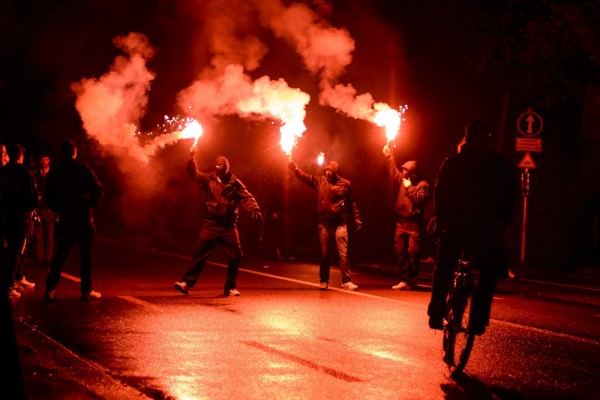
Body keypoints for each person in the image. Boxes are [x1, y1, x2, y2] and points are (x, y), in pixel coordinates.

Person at [427, 120, 517, 335]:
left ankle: (438, 311)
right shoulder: (497, 163)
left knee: (446, 265)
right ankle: (477, 318)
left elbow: (441, 191)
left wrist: (442, 217)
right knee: (488, 270)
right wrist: (503, 222)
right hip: (481, 225)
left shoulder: (454, 162)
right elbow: (509, 194)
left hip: (463, 224)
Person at [174, 153, 263, 297]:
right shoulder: (208, 179)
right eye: (217, 167)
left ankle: (230, 287)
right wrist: (192, 160)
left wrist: (254, 209)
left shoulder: (235, 184)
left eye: (222, 167)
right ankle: (186, 283)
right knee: (199, 254)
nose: (220, 170)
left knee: (235, 256)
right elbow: (193, 173)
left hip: (228, 226)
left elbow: (247, 197)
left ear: (227, 168)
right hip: (211, 224)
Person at [288, 159, 362, 290]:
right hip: (324, 223)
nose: (327, 173)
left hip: (340, 223)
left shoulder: (345, 184)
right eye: (326, 171)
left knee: (343, 254)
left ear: (335, 172)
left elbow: (352, 203)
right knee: (324, 253)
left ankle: (346, 281)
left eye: (330, 171)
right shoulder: (320, 181)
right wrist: (295, 169)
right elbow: (305, 177)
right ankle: (324, 280)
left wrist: (356, 219)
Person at [44, 140, 103, 302]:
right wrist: (89, 204)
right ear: (74, 153)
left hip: (66, 218)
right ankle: (86, 291)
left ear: (62, 153)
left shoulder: (55, 172)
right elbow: (98, 189)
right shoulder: (83, 170)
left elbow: (48, 194)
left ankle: (50, 289)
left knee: (61, 254)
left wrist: (59, 207)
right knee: (86, 256)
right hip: (83, 218)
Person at [382, 145, 430, 291]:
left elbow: (420, 199)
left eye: (406, 171)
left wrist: (409, 187)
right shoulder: (402, 180)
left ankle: (413, 278)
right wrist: (388, 156)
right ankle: (404, 279)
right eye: (403, 171)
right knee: (399, 251)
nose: (403, 174)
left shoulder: (423, 185)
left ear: (413, 173)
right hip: (400, 223)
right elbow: (392, 170)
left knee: (413, 253)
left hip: (414, 225)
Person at [0, 144, 38, 299]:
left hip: (6, 216)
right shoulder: (25, 174)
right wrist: (29, 212)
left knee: (10, 249)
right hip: (20, 218)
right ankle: (8, 285)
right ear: (21, 157)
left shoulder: (3, 172)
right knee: (17, 251)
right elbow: (32, 198)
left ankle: (16, 278)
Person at [33, 152, 57, 269]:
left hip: (50, 209)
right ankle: (39, 260)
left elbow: (57, 193)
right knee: (39, 238)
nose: (44, 162)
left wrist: (58, 212)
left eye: (46, 159)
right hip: (38, 209)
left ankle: (48, 261)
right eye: (42, 160)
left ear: (49, 161)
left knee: (49, 238)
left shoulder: (53, 175)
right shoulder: (36, 174)